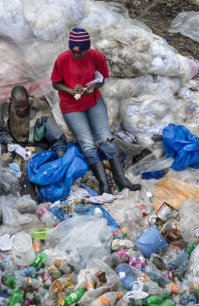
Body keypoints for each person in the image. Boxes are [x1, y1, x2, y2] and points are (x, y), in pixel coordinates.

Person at [51, 28, 140, 195]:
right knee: (88, 144)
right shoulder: (62, 59)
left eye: (81, 52)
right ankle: (103, 185)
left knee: (106, 139)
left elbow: (101, 79)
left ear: (87, 48)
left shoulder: (96, 56)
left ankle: (121, 179)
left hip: (93, 100)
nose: (77, 55)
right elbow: (56, 83)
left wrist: (93, 87)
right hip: (71, 106)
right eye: (74, 52)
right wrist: (72, 91)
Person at [0, 86, 67, 160]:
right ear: (11, 100)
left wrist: (61, 157)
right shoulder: (4, 108)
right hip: (12, 144)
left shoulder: (41, 107)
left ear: (28, 98)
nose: (22, 109)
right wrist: (9, 141)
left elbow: (56, 137)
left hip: (35, 146)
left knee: (29, 165)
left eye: (25, 106)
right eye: (17, 107)